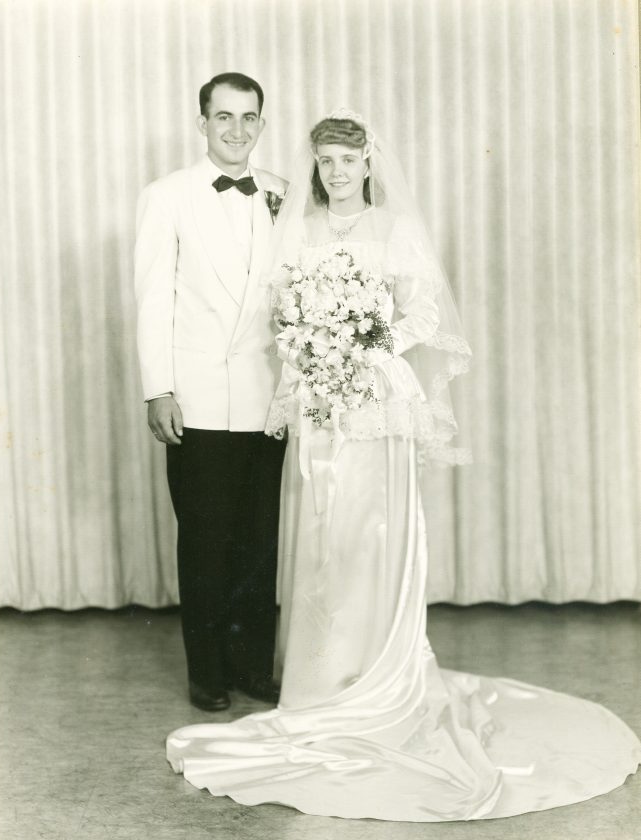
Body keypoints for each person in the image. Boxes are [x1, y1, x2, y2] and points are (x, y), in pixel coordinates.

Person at [165, 111, 641, 820]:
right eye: (325, 161)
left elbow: (424, 315)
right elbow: (280, 314)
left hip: (376, 401)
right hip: (321, 405)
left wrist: (367, 342)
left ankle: (378, 676)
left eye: (347, 160)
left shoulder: (396, 229)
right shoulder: (298, 229)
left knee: (372, 533)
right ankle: (321, 683)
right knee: (324, 539)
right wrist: (311, 347)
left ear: (368, 163)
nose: (335, 172)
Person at [134, 73, 287, 712]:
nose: (236, 130)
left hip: (267, 398)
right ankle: (207, 673)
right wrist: (159, 390)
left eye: (248, 118)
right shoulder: (166, 196)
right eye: (224, 117)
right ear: (202, 123)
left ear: (261, 124)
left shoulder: (282, 194)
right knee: (204, 540)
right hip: (196, 399)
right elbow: (152, 300)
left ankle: (252, 666)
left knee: (259, 541)